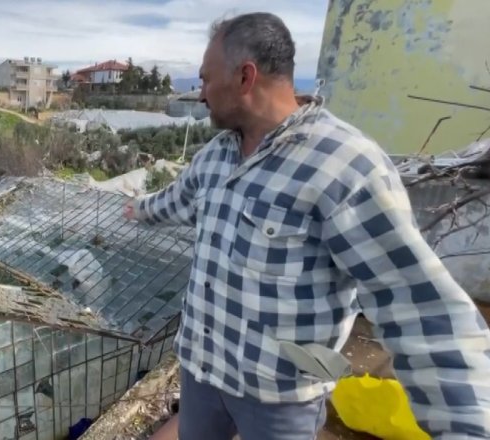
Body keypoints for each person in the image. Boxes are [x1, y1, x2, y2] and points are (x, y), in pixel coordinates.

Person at [125, 12, 490, 440]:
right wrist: (138, 209)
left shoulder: (344, 165)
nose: (200, 93)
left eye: (205, 79)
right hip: (203, 371)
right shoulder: (216, 156)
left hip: (279, 397)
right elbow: (177, 201)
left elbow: (417, 305)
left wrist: (467, 428)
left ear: (245, 76)